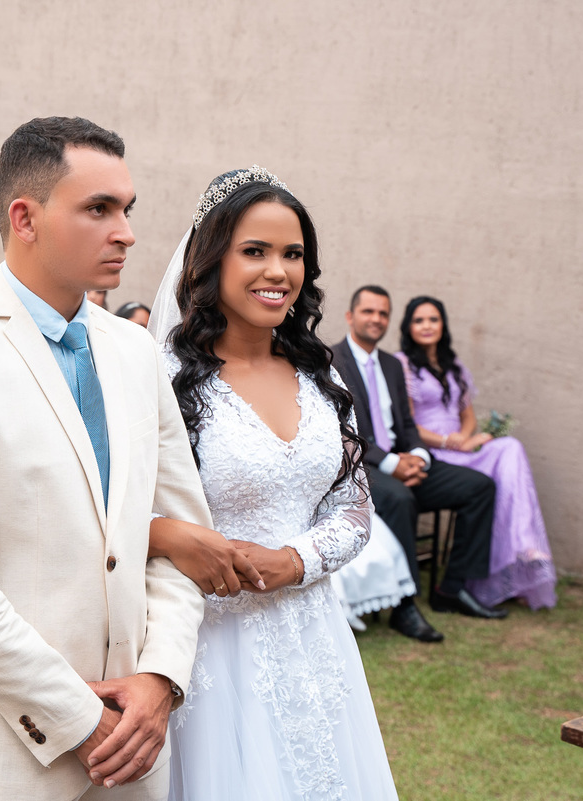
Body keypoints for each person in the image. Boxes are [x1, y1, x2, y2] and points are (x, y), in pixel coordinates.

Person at [0, 116, 211, 801]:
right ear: (24, 218)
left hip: (135, 744)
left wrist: (159, 679)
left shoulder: (137, 354)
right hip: (8, 754)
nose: (125, 230)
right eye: (98, 208)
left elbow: (185, 536)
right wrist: (79, 717)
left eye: (127, 209)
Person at [146, 166, 398, 800]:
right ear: (210, 260)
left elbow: (354, 510)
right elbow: (111, 510)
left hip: (313, 634)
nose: (277, 271)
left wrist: (295, 560)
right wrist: (175, 538)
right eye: (254, 251)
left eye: (293, 254)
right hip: (205, 643)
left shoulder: (321, 374)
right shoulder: (161, 377)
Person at [330, 286, 505, 644]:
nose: (376, 319)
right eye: (368, 312)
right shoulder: (330, 360)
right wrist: (393, 463)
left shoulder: (393, 365)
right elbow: (343, 428)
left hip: (406, 459)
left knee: (480, 487)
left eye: (383, 314)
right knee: (398, 499)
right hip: (363, 464)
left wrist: (419, 457)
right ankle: (405, 606)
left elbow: (408, 425)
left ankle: (452, 589)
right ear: (350, 316)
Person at [396, 296, 557, 609]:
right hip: (433, 451)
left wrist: (467, 438)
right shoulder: (402, 364)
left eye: (433, 319)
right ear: (408, 326)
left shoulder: (453, 365)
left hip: (460, 446)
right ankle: (501, 560)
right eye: (419, 320)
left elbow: (467, 414)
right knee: (490, 479)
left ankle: (522, 546)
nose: (427, 326)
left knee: (510, 447)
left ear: (443, 325)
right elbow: (409, 422)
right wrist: (447, 442)